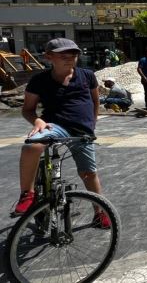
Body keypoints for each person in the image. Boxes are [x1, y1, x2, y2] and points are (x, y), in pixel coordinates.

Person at [12, 38, 111, 228]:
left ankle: (100, 213)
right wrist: (38, 120)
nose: (70, 59)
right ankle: (28, 194)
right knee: (32, 146)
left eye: (73, 55)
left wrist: (93, 122)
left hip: (82, 130)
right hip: (53, 126)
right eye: (63, 56)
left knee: (88, 173)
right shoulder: (39, 80)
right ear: (49, 57)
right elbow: (28, 109)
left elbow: (95, 101)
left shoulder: (87, 75)